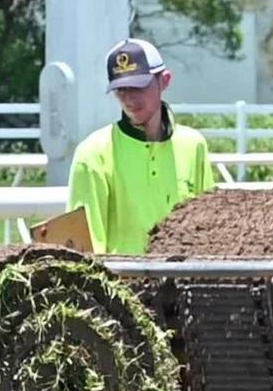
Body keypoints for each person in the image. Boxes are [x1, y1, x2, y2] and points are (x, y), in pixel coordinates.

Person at [66, 38, 216, 255]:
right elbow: (83, 251)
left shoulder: (193, 146)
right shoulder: (92, 154)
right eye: (121, 90)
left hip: (185, 284)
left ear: (164, 81)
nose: (129, 99)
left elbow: (210, 228)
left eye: (138, 87)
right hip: (123, 285)